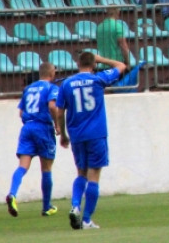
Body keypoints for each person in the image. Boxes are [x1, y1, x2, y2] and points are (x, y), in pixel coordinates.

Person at [57, 52, 136, 230]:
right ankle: (86, 220)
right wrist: (102, 59)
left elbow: (59, 111)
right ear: (93, 65)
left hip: (77, 135)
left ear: (77, 64)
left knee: (81, 173)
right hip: (96, 134)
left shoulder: (67, 84)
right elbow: (121, 66)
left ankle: (75, 205)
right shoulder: (98, 79)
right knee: (94, 176)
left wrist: (62, 133)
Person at [6, 62, 62, 218]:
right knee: (46, 168)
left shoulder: (28, 89)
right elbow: (52, 106)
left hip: (27, 127)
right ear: (52, 74)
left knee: (22, 166)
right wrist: (57, 125)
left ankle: (12, 193)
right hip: (43, 127)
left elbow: (20, 113)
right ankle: (46, 207)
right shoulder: (52, 88)